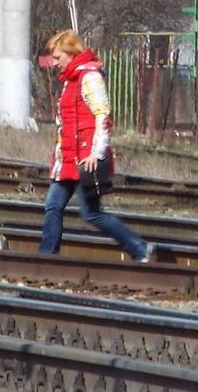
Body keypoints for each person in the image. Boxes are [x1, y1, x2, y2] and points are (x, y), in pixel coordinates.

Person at [38, 29, 155, 262]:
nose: (55, 63)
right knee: (52, 206)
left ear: (71, 54)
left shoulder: (90, 77)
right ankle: (47, 257)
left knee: (92, 214)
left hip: (85, 160)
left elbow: (103, 115)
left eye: (59, 57)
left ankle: (139, 247)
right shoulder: (70, 81)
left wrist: (97, 153)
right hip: (68, 160)